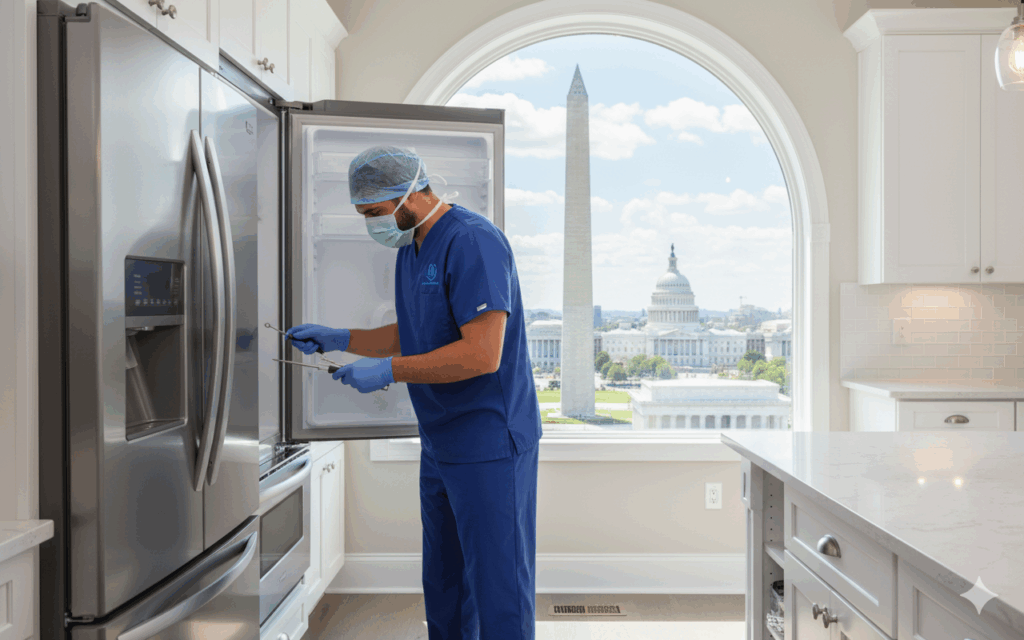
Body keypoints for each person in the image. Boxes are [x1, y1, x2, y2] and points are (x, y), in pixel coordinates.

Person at [287, 145, 542, 640]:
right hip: (442, 443)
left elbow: (482, 354)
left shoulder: (473, 242)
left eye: (374, 213)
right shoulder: (412, 247)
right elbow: (416, 330)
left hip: (490, 442)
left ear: (409, 194)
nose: (371, 226)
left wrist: (390, 372)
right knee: (446, 586)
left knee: (498, 592)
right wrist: (344, 339)